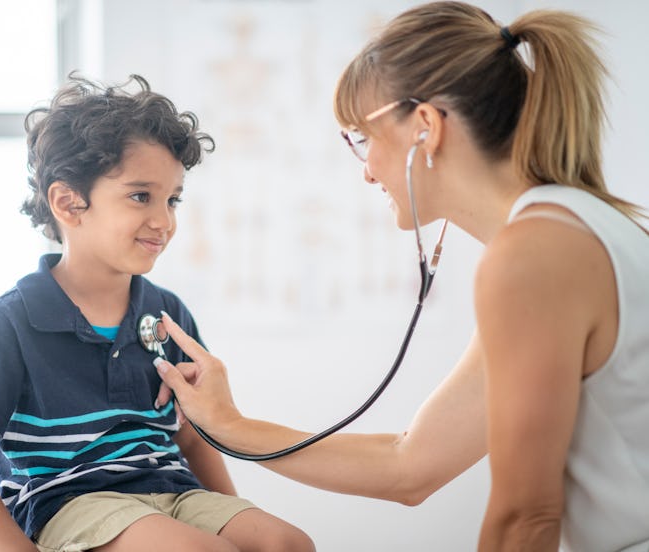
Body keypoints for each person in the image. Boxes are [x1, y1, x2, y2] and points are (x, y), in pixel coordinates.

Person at [153, 2, 649, 551]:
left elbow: (525, 518)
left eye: (362, 138)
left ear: (426, 126)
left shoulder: (534, 255)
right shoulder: (575, 230)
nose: (365, 170)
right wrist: (229, 424)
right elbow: (411, 465)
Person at [0, 74, 315, 552]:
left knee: (287, 544)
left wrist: (234, 520)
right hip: (73, 503)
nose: (165, 220)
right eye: (141, 196)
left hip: (173, 490)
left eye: (172, 199)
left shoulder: (167, 313)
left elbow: (193, 439)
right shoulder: (12, 320)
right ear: (69, 203)